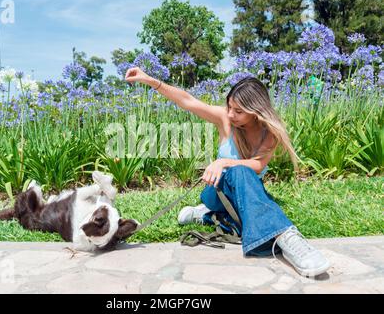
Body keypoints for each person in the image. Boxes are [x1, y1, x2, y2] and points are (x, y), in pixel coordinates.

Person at [125, 67, 331, 277]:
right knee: (241, 175)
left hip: (242, 194)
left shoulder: (269, 133)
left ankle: (208, 217)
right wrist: (150, 80)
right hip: (215, 192)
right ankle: (285, 235)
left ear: (256, 111)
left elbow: (258, 166)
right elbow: (188, 101)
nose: (231, 114)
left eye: (239, 111)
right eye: (230, 106)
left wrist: (223, 162)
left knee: (245, 186)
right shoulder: (225, 119)